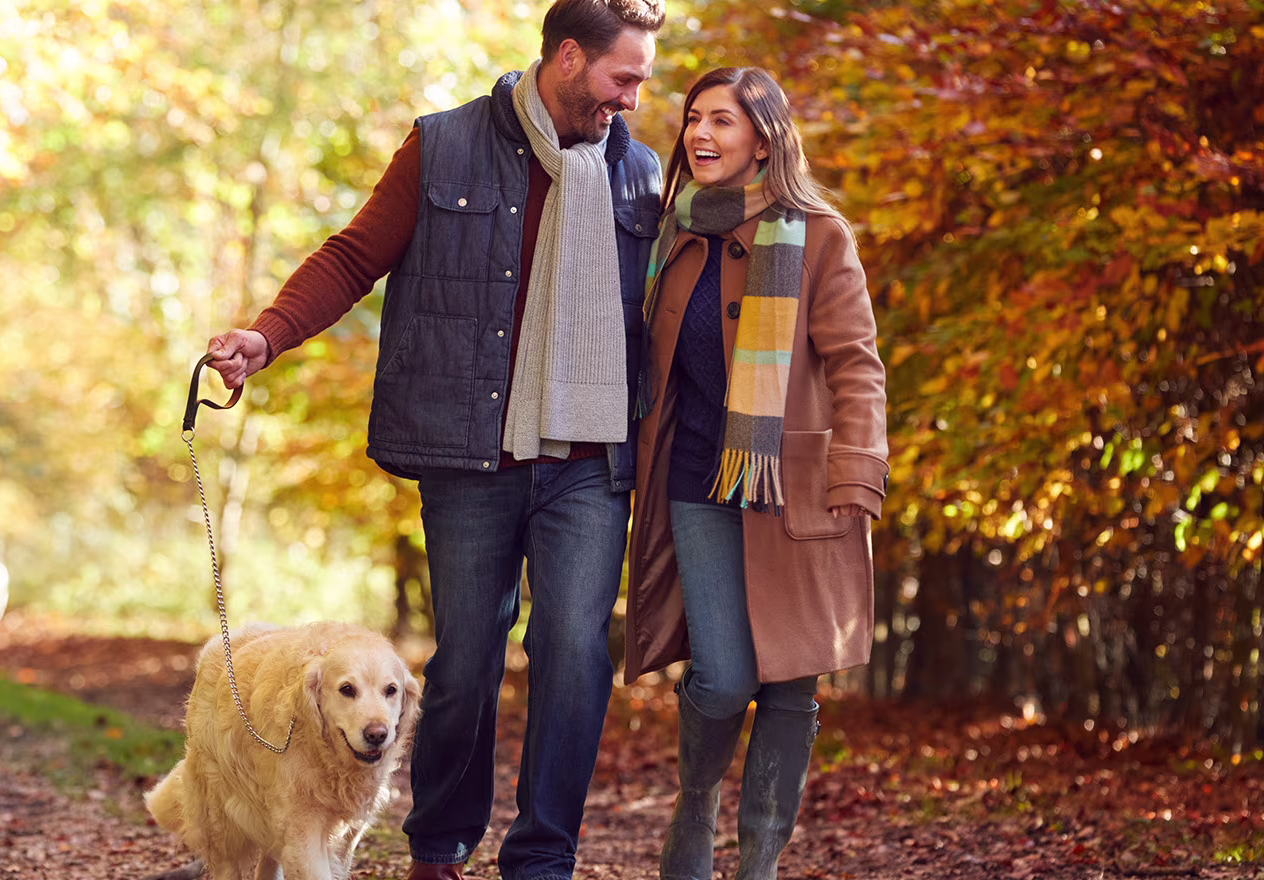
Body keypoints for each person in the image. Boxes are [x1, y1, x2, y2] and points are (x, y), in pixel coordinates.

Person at [203, 1, 665, 877]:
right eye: (624, 77)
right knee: (464, 663)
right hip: (472, 453)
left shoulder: (637, 173)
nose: (634, 99)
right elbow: (351, 257)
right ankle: (442, 843)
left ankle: (542, 857)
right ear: (569, 58)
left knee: (573, 650)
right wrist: (266, 336)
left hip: (588, 458)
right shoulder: (444, 145)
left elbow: (665, 315)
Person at [620, 67, 887, 880]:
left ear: (763, 138)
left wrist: (859, 471)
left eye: (722, 122)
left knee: (791, 688)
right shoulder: (671, 233)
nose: (700, 135)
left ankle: (759, 863)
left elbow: (855, 364)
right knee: (724, 676)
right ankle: (695, 805)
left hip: (796, 490)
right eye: (694, 119)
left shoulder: (819, 234)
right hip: (697, 481)